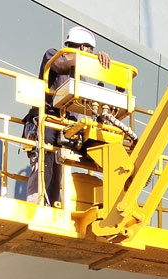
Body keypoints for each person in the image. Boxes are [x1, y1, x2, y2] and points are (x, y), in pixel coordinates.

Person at [25, 26, 112, 206]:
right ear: (82, 47)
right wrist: (91, 60)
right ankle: (35, 207)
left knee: (57, 176)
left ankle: (52, 207)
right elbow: (60, 65)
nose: (91, 54)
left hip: (65, 130)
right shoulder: (54, 55)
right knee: (43, 167)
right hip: (46, 121)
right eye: (90, 50)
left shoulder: (80, 78)